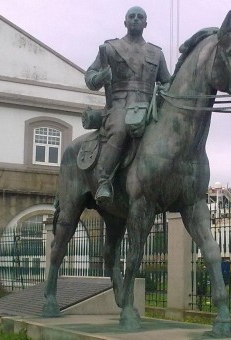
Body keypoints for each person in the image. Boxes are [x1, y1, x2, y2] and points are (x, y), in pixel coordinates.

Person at [85, 6, 171, 205]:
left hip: (149, 107)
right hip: (119, 105)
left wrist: (165, 89)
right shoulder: (110, 48)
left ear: (145, 24)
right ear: (125, 22)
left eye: (140, 17)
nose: (135, 19)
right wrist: (101, 77)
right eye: (131, 16)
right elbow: (90, 77)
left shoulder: (156, 53)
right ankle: (104, 181)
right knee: (120, 129)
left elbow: (166, 80)